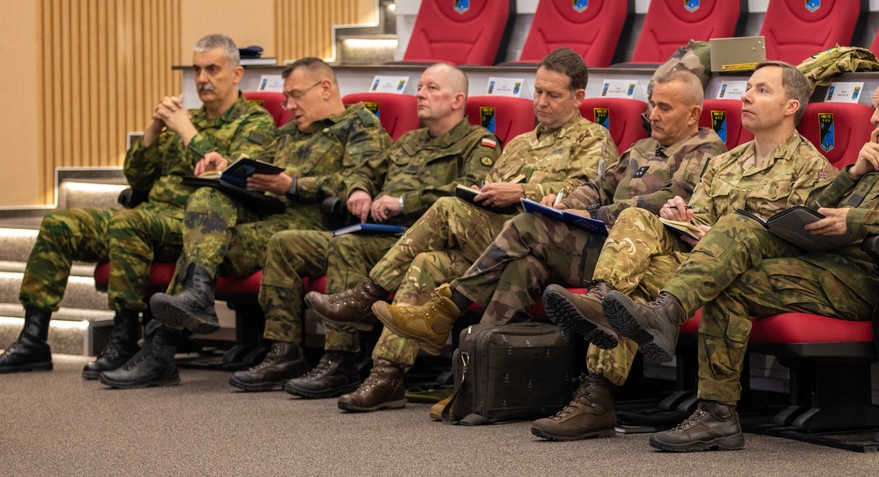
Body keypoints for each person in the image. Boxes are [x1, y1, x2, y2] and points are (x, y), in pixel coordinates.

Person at [604, 73, 879, 452]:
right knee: (736, 253)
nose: (874, 118)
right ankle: (716, 412)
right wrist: (854, 172)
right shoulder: (874, 161)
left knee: (736, 252)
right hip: (825, 264)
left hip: (870, 279)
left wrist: (856, 220)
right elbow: (816, 204)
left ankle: (666, 317)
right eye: (873, 109)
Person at [369, 68, 727, 414]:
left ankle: (447, 310)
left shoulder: (705, 149)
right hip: (598, 245)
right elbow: (597, 186)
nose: (653, 114)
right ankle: (478, 386)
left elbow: (667, 198)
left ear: (694, 112)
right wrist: (569, 206)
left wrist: (595, 215)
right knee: (523, 267)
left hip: (640, 256)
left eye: (665, 108)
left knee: (527, 225)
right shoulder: (643, 147)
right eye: (652, 105)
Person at [525, 60, 834, 440]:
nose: (747, 96)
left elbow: (796, 243)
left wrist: (718, 236)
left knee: (634, 285)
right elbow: (698, 218)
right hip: (694, 267)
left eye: (762, 90)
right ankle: (601, 303)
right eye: (748, 87)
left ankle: (598, 395)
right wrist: (682, 216)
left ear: (791, 107)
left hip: (750, 276)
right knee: (638, 219)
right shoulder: (725, 162)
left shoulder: (812, 170)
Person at [307, 47, 619, 409]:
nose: (541, 102)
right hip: (496, 243)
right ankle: (387, 374)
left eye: (553, 95)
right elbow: (489, 186)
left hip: (550, 246)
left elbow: (584, 199)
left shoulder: (593, 139)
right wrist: (485, 194)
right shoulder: (519, 143)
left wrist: (521, 192)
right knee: (428, 262)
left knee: (444, 210)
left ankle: (367, 294)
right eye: (537, 92)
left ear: (578, 97)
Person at [0, 34, 275, 377]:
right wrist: (153, 129)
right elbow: (138, 179)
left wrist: (187, 132)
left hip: (196, 227)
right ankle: (33, 339)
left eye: (212, 69)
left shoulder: (256, 122)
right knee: (59, 224)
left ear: (237, 74)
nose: (202, 79)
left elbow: (229, 177)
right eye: (196, 70)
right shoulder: (186, 118)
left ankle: (122, 340)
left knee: (128, 225)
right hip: (151, 215)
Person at [98, 57, 392, 388]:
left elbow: (358, 181)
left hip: (313, 222)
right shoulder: (287, 134)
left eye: (295, 96)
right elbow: (255, 165)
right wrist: (226, 169)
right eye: (285, 98)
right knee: (207, 210)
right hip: (269, 216)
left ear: (325, 88)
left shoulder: (360, 125)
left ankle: (160, 350)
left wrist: (292, 185)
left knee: (207, 247)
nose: (289, 105)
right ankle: (195, 297)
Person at [226, 63, 501, 395]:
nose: (420, 94)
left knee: (348, 246)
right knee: (285, 243)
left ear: (458, 100)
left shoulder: (480, 143)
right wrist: (359, 190)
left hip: (420, 239)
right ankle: (284, 351)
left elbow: (465, 195)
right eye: (419, 87)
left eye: (431, 88)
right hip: (377, 233)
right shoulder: (408, 142)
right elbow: (366, 170)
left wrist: (402, 202)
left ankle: (339, 358)